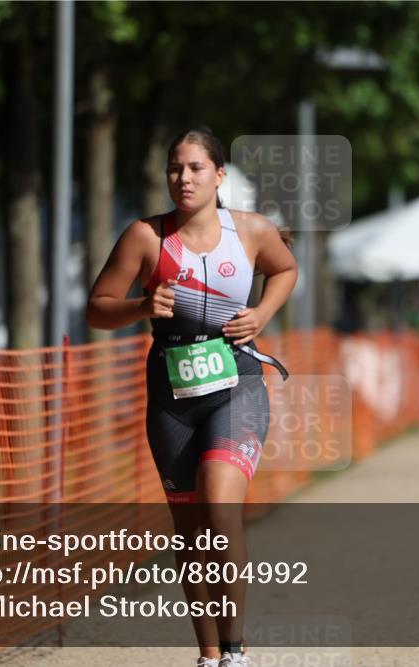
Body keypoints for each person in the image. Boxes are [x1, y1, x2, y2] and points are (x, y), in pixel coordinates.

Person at [86, 128, 297, 667]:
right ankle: (208, 655)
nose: (183, 178)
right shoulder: (145, 238)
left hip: (238, 384)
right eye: (175, 169)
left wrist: (262, 314)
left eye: (196, 168)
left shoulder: (250, 232)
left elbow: (286, 268)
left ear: (219, 176)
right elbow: (97, 307)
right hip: (172, 395)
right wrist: (140, 308)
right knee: (189, 529)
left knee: (218, 505)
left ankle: (236, 649)